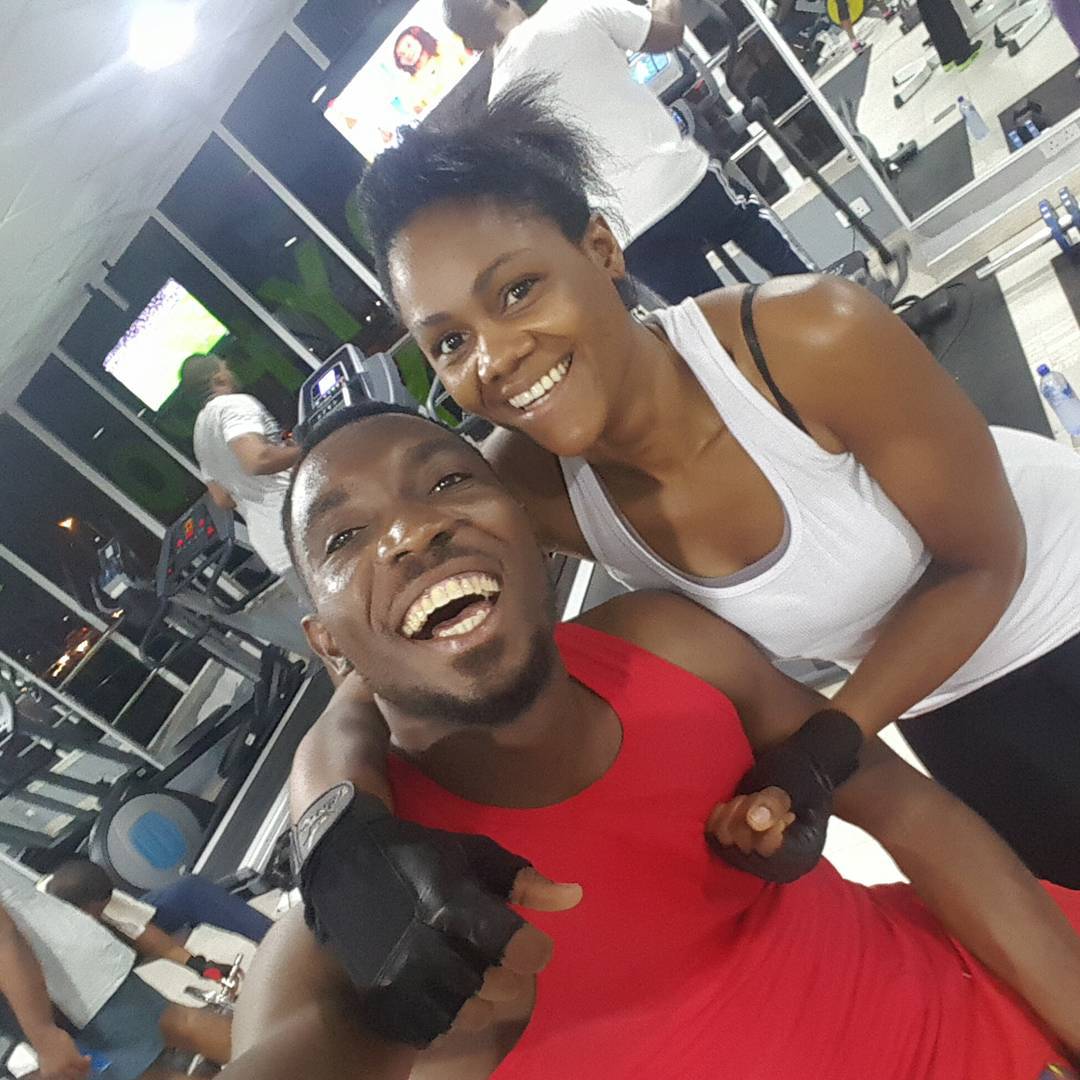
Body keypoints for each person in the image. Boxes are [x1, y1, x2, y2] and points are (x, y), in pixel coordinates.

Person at [304, 83, 1080, 899]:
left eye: (518, 291)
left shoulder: (809, 338)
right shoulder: (523, 487)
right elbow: (374, 657)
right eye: (451, 343)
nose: (494, 358)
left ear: (602, 250)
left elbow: (984, 563)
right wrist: (337, 841)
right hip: (935, 692)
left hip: (1054, 586)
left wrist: (824, 745)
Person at [216, 400, 1080, 1079]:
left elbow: (908, 809)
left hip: (992, 1017)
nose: (412, 530)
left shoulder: (663, 643)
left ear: (526, 528)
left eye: (445, 483)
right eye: (346, 536)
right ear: (327, 644)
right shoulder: (353, 926)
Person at [441, 0, 811, 302]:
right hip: (681, 180)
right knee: (752, 228)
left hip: (629, 229)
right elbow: (667, 31)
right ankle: (825, 300)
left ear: (471, 43)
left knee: (719, 322)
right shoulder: (571, 10)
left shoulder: (500, 104)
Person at [0, 858, 231, 1080]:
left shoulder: (86, 893)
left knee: (163, 1047)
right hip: (62, 972)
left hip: (60, 985)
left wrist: (43, 1033)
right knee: (180, 1025)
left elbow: (4, 938)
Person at [179, 353, 301, 594]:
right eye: (225, 367)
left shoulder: (200, 432)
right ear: (219, 378)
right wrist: (307, 447)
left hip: (274, 545)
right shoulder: (234, 405)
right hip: (302, 525)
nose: (230, 371)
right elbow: (257, 460)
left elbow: (222, 499)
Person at [43, 859, 271, 971]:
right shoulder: (43, 932)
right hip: (85, 974)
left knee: (190, 891)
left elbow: (159, 944)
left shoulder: (89, 891)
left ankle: (277, 940)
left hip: (117, 943)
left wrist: (207, 969)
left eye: (103, 911)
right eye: (96, 914)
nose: (99, 917)